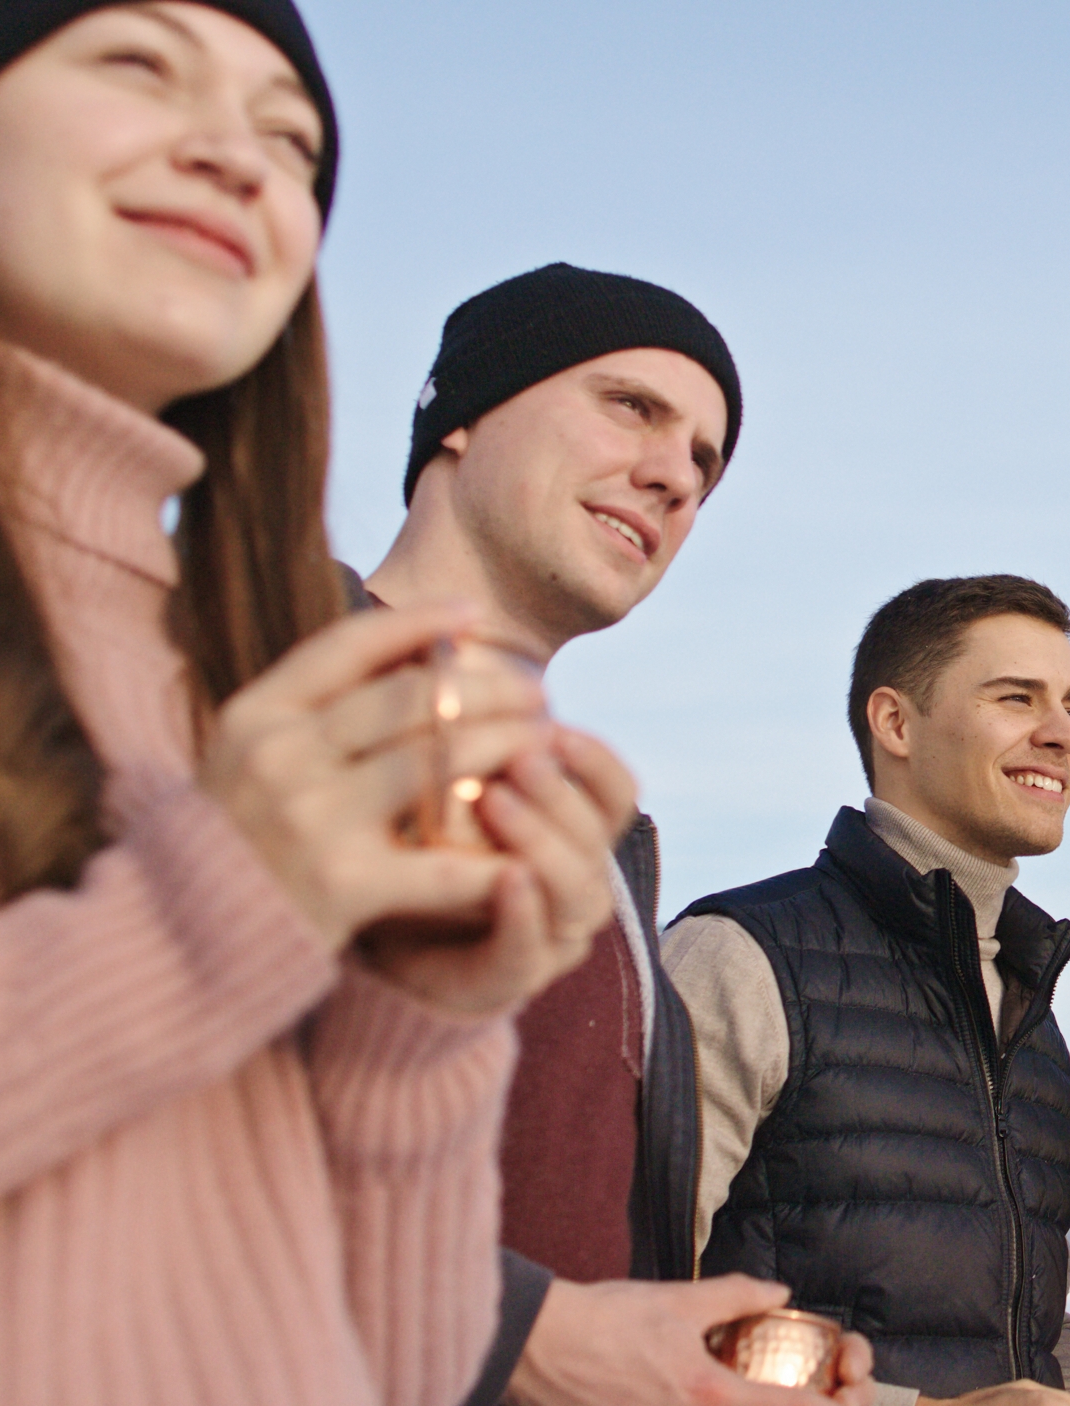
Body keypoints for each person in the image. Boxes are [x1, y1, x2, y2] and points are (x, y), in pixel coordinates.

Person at [0, 5, 635, 1404]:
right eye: (137, 63)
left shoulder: (240, 680)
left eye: (292, 139)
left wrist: (416, 1027)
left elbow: (391, 1366)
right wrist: (205, 916)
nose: (244, 160)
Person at [359, 262, 875, 1406]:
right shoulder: (256, 673)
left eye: (704, 460)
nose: (671, 476)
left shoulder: (596, 831)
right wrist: (519, 1335)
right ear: (463, 415)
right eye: (630, 405)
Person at [667, 576, 1070, 1406]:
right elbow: (615, 1300)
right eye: (1018, 698)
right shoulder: (739, 958)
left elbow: (1033, 1322)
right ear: (895, 722)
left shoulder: (1030, 1012)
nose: (1062, 736)